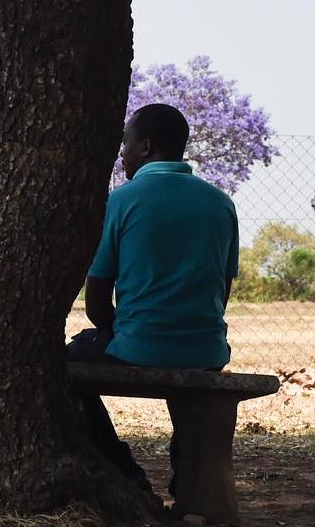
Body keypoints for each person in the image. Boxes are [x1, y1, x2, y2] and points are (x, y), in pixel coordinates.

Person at [69, 103, 240, 497]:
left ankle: (126, 473)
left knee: (61, 366)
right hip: (207, 348)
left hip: (138, 346)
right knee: (192, 385)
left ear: (145, 147)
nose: (121, 153)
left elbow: (96, 303)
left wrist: (127, 331)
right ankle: (190, 483)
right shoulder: (221, 204)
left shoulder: (122, 200)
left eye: (125, 143)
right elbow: (222, 292)